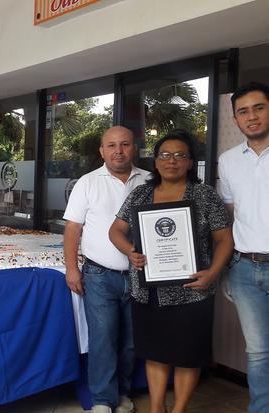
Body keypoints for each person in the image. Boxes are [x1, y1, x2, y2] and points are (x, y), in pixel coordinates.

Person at [109, 130, 233, 413]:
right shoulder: (140, 194)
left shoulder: (204, 195)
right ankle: (156, 408)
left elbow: (224, 239)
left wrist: (213, 272)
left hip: (193, 290)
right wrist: (130, 251)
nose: (172, 161)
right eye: (165, 155)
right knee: (155, 354)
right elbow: (116, 230)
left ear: (191, 162)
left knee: (187, 356)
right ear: (155, 161)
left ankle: (178, 410)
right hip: (149, 291)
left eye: (180, 155)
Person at [63, 126, 150, 413]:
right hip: (99, 275)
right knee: (103, 340)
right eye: (111, 145)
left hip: (140, 277)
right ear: (102, 151)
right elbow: (73, 229)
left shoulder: (149, 181)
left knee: (129, 342)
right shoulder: (87, 183)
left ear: (133, 147)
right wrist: (71, 269)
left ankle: (122, 394)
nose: (118, 151)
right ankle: (102, 400)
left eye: (124, 144)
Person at [218, 81, 269, 413]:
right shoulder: (228, 160)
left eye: (259, 108)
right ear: (236, 119)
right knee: (259, 352)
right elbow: (232, 212)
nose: (251, 117)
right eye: (243, 111)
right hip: (246, 269)